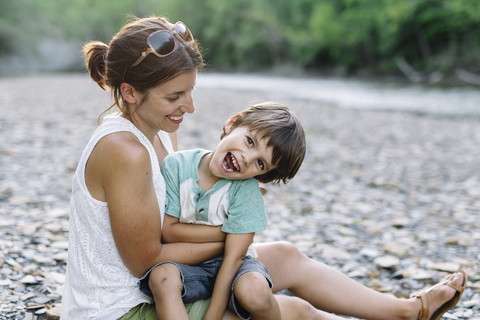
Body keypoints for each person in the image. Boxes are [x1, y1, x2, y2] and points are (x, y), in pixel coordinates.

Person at [61, 14, 467, 320]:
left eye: (190, 91)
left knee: (286, 256)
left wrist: (230, 212)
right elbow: (147, 260)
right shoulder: (124, 150)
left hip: (164, 276)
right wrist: (234, 236)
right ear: (129, 93)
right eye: (174, 97)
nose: (189, 107)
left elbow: (181, 203)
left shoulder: (160, 131)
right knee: (293, 311)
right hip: (122, 306)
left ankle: (407, 312)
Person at [139, 103, 306, 320]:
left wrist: (213, 316)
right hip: (187, 266)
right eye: (249, 141)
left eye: (261, 164)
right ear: (232, 123)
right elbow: (168, 231)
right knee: (161, 277)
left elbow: (233, 258)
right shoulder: (177, 166)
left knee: (255, 290)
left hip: (235, 267)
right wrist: (229, 233)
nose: (247, 158)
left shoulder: (246, 190)